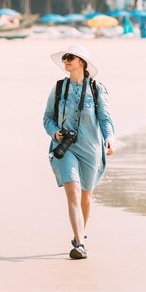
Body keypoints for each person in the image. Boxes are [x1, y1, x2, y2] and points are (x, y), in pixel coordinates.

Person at [43, 44, 115, 260]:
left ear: (81, 63)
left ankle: (79, 235)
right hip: (65, 149)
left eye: (70, 57)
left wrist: (110, 138)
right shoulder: (58, 88)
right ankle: (80, 244)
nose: (66, 61)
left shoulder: (96, 89)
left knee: (86, 195)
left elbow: (105, 118)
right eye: (64, 57)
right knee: (73, 190)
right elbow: (47, 118)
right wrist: (55, 132)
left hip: (91, 148)